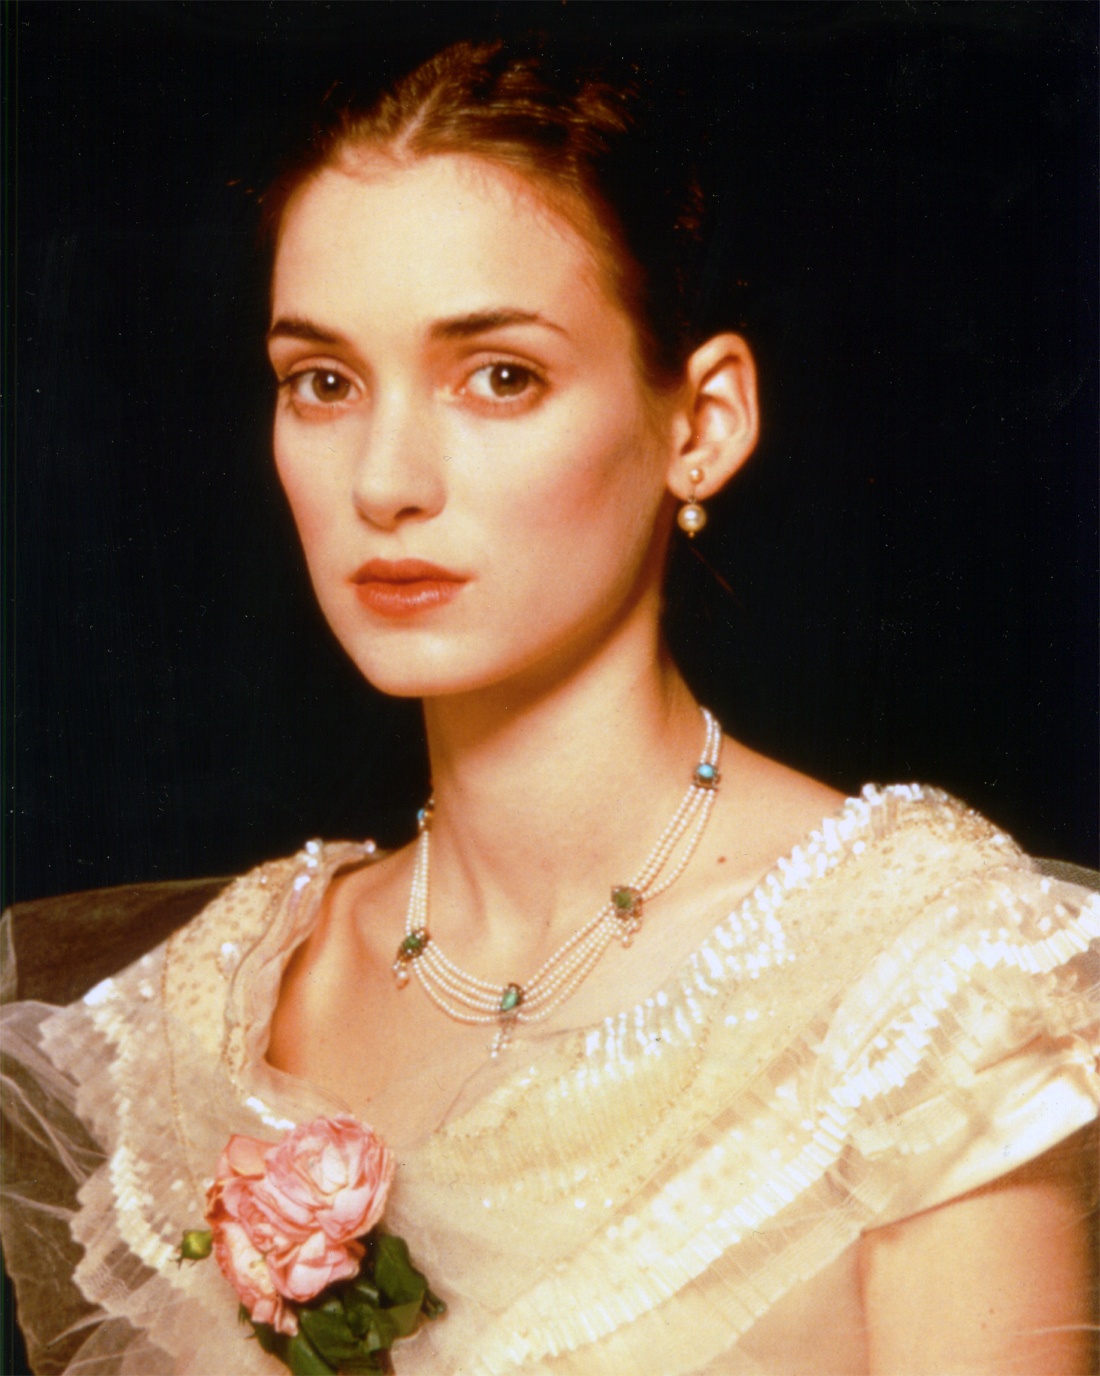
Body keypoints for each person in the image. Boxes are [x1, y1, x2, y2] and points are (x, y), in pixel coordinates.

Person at [2, 35, 1097, 1376]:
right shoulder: (218, 1005)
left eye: (499, 376)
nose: (385, 482)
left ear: (702, 423)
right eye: (323, 383)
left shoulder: (922, 982)